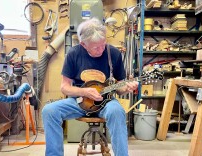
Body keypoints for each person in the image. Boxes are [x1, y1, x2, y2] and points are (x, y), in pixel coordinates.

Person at [42, 17, 139, 156]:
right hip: (79, 102)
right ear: (83, 44)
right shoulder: (73, 54)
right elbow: (65, 87)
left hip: (106, 102)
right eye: (95, 47)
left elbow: (119, 87)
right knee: (49, 111)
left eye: (103, 44)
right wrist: (84, 92)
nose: (101, 49)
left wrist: (127, 87)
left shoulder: (114, 54)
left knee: (117, 111)